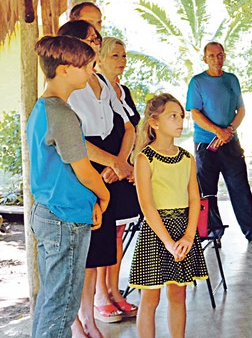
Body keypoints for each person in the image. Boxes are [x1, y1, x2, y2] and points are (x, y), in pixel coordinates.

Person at [28, 35, 110, 338]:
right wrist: (104, 194)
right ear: (64, 69)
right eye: (87, 66)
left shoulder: (44, 108)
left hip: (52, 211)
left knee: (51, 301)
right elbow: (84, 170)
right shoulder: (61, 113)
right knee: (62, 306)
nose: (91, 71)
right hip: (65, 216)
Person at [59, 21, 135, 333]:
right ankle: (76, 322)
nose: (94, 43)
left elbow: (127, 126)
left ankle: (89, 316)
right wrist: (112, 163)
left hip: (110, 165)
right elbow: (73, 138)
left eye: (96, 38)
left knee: (99, 251)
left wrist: (118, 162)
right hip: (82, 167)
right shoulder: (68, 87)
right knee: (81, 252)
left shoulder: (102, 81)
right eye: (89, 39)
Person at [129, 94, 208, 338]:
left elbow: (195, 199)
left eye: (181, 116)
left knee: (178, 294)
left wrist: (187, 235)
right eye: (172, 116)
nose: (179, 121)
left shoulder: (187, 158)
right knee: (150, 297)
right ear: (154, 122)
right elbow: (147, 206)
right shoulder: (145, 158)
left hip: (183, 232)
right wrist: (168, 242)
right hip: (157, 234)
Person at [186, 42, 252, 246]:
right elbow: (195, 112)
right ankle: (213, 231)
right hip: (206, 144)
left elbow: (241, 110)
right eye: (211, 56)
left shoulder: (231, 80)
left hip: (231, 142)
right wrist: (217, 131)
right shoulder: (197, 82)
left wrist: (229, 130)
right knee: (207, 190)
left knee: (240, 188)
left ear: (225, 56)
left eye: (220, 55)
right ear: (205, 59)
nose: (216, 59)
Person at [94, 37, 142, 322]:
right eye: (115, 55)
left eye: (124, 55)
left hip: (122, 169)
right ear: (98, 58)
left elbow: (132, 130)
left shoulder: (124, 91)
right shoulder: (93, 89)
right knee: (103, 234)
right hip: (101, 170)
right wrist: (112, 164)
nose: (121, 60)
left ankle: (114, 289)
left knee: (118, 233)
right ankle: (100, 293)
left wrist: (125, 164)